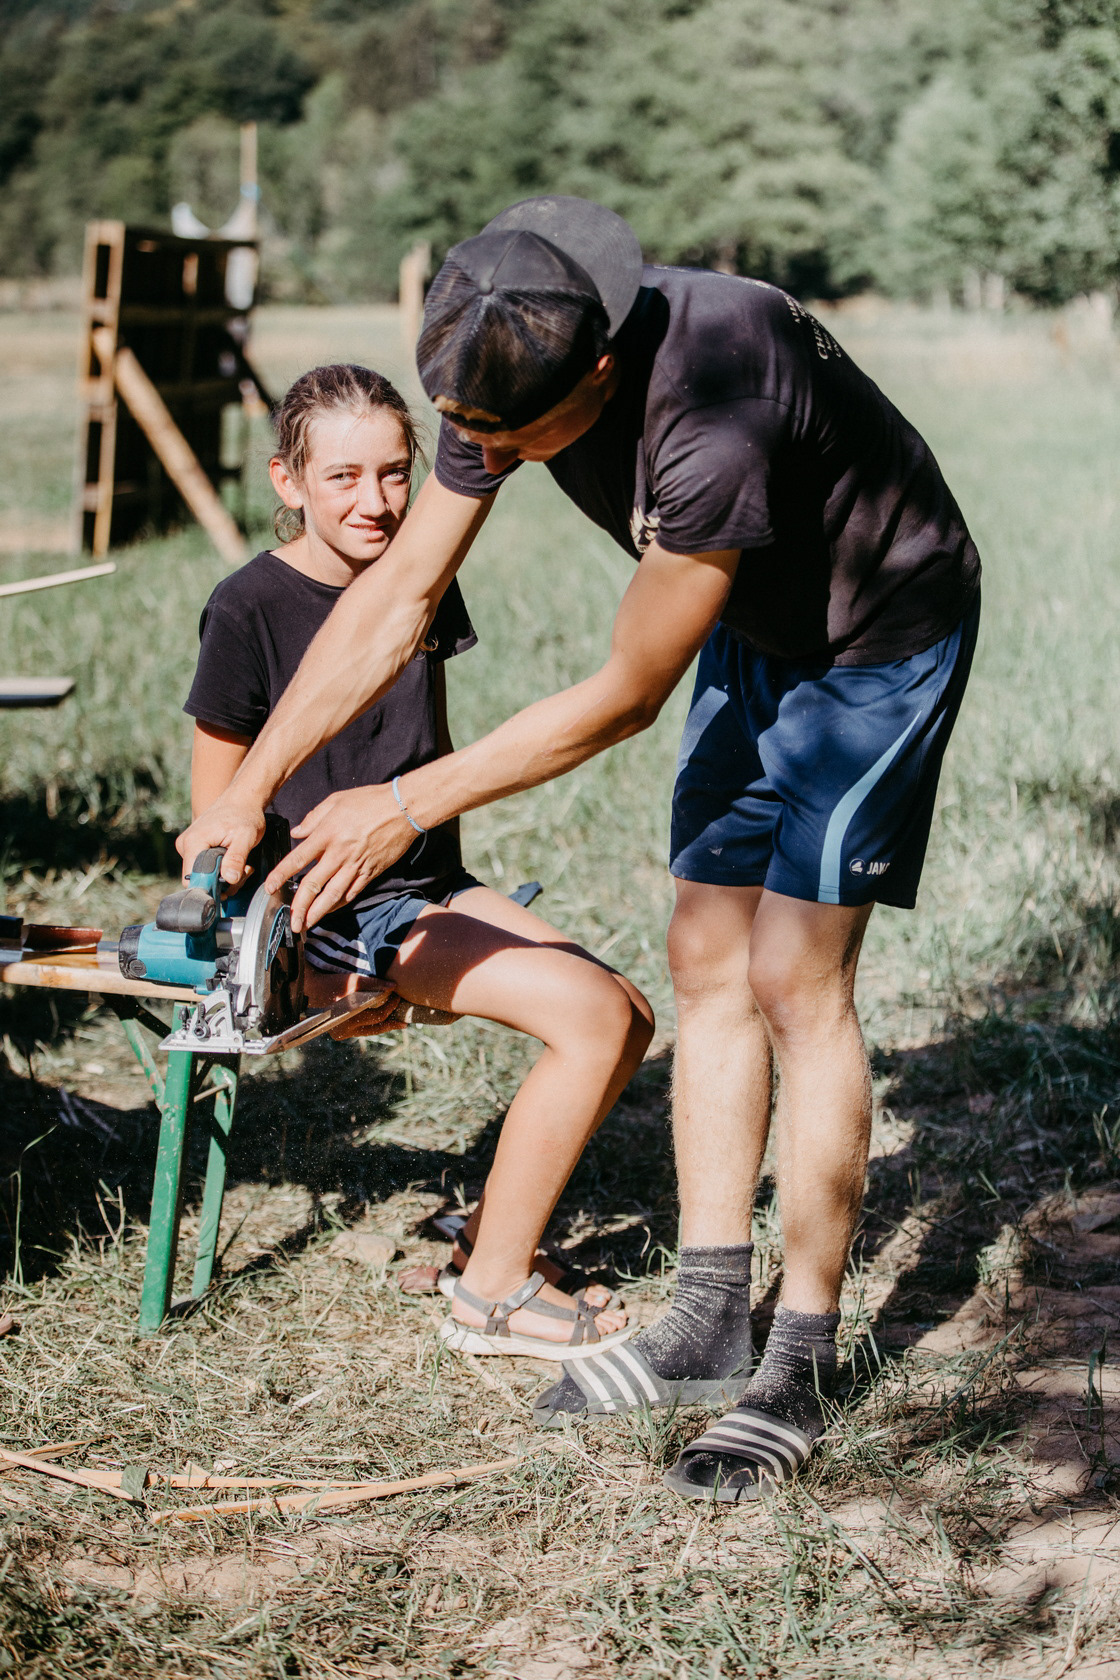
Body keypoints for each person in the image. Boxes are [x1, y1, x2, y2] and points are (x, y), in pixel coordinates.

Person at [177, 199, 980, 1503]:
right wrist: (250, 784)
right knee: (704, 952)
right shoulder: (501, 349)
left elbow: (624, 694)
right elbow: (396, 597)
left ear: (599, 372)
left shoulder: (713, 411)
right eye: (469, 431)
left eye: (506, 440)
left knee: (792, 977)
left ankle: (800, 1356)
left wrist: (403, 801)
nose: (479, 456)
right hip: (755, 626)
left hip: (873, 637)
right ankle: (709, 1315)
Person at [184, 360, 653, 1362]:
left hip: (426, 885)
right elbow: (215, 824)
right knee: (593, 1017)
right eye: (343, 477)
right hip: (336, 911)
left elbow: (417, 757)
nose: (377, 501)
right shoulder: (248, 607)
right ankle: (490, 1297)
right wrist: (290, 966)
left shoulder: (422, 578)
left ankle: (486, 1237)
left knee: (631, 1015)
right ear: (286, 481)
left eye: (396, 473)